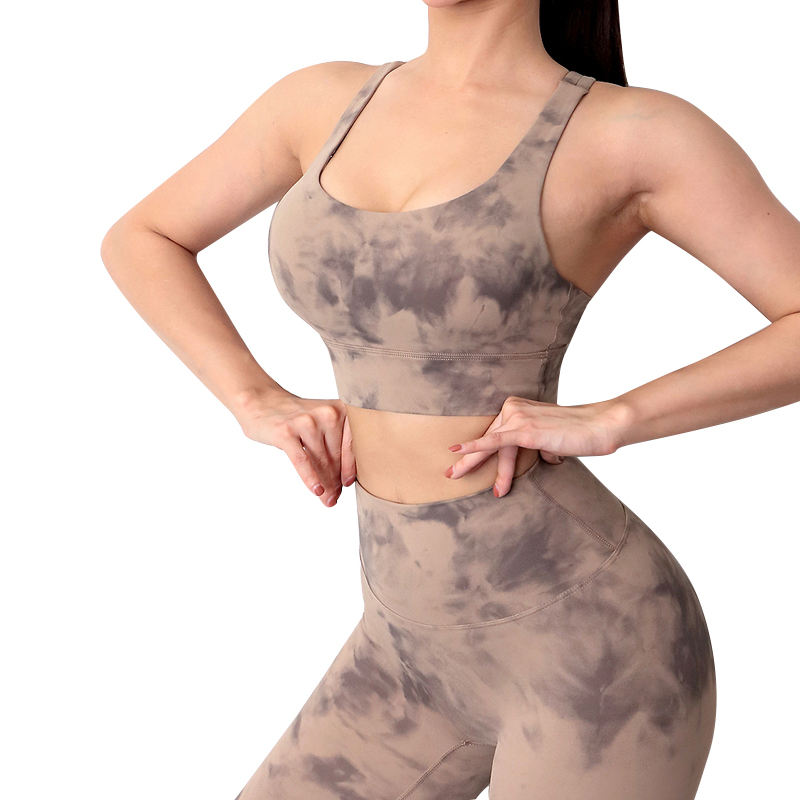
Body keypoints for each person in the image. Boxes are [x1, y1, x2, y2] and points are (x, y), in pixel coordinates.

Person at [100, 1, 800, 798]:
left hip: (593, 654)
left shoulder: (630, 133)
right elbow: (144, 237)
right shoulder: (319, 102)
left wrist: (617, 418)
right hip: (403, 647)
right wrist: (252, 397)